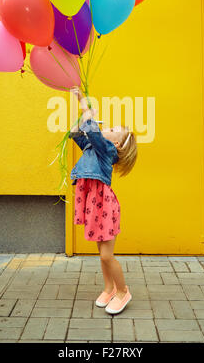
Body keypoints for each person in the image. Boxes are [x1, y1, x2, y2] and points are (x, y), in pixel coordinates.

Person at [69, 86, 138, 315]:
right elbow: (78, 133)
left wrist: (83, 102)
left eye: (111, 129)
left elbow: (94, 132)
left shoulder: (107, 150)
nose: (104, 128)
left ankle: (122, 291)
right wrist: (85, 118)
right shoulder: (93, 147)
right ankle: (109, 288)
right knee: (101, 253)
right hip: (94, 203)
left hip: (104, 205)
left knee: (107, 255)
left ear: (117, 144)